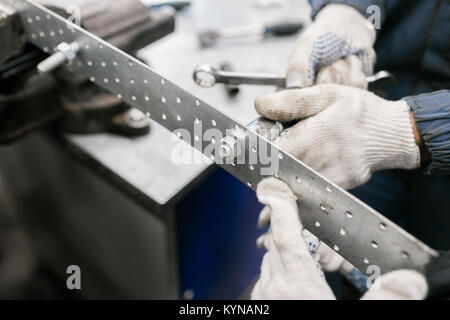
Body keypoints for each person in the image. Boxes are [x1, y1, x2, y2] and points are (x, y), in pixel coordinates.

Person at [251, 1, 449, 299]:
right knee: (332, 242)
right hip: (360, 110)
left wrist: (409, 127)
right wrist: (348, 10)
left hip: (428, 171)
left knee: (423, 277)